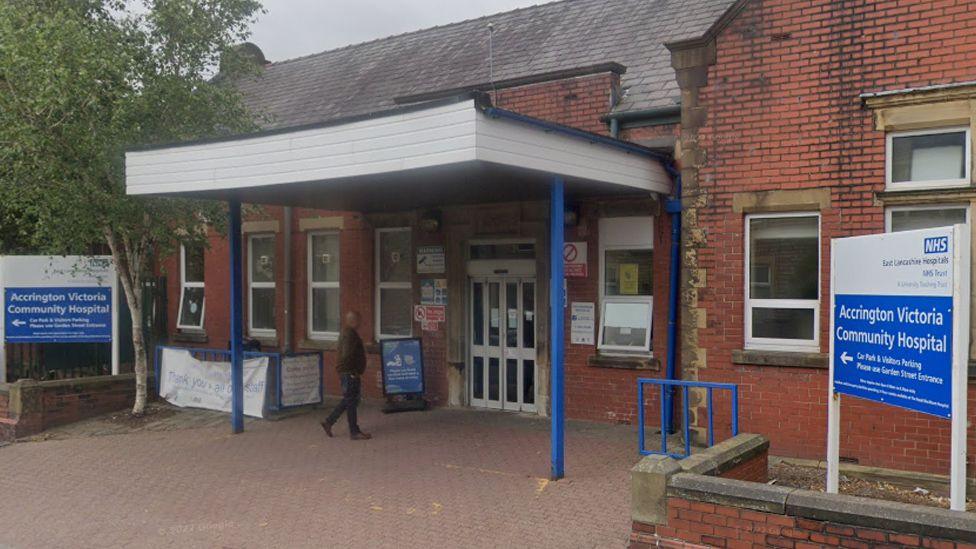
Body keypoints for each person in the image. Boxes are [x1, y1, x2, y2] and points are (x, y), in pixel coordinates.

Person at [321, 311, 372, 440]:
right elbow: (347, 355)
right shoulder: (350, 334)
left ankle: (329, 422)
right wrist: (353, 371)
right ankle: (354, 431)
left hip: (347, 372)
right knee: (351, 402)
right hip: (349, 373)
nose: (360, 323)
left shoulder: (346, 333)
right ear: (352, 321)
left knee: (350, 400)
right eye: (358, 320)